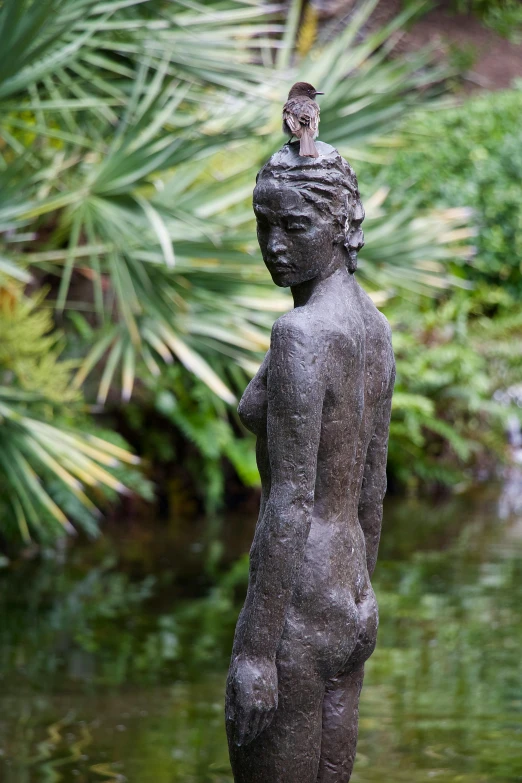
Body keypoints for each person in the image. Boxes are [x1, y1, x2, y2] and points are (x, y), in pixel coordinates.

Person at [225, 141, 395, 783]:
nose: (274, 243)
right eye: (264, 221)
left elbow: (292, 500)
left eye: (295, 225)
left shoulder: (300, 336)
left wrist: (253, 652)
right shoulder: (374, 329)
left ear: (342, 224)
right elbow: (371, 489)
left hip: (296, 603)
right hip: (351, 598)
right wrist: (359, 595)